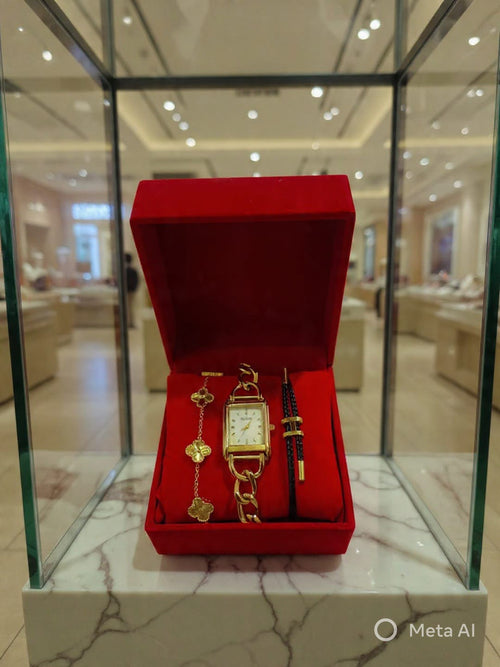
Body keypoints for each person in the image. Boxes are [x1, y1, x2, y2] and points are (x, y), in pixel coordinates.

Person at [125, 252, 139, 327]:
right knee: (129, 307)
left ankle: (130, 322)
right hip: (130, 291)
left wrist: (132, 289)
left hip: (129, 291)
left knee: (130, 307)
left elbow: (135, 281)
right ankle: (129, 322)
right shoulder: (130, 269)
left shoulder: (129, 270)